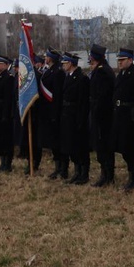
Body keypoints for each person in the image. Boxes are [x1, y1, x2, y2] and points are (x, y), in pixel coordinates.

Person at [111, 48, 134, 190]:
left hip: (130, 117)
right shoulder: (121, 75)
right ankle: (131, 175)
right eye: (119, 60)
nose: (120, 62)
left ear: (130, 60)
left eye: (122, 60)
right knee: (124, 148)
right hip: (120, 115)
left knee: (133, 149)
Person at [59, 52, 90, 184]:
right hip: (67, 115)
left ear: (70, 63)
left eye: (65, 63)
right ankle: (77, 171)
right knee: (70, 146)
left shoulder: (82, 79)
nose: (63, 66)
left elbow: (83, 102)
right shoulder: (68, 77)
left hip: (76, 116)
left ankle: (84, 173)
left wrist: (80, 119)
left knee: (80, 146)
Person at [88, 44, 116, 187]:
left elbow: (103, 96)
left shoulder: (103, 72)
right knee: (100, 146)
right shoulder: (100, 70)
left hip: (103, 115)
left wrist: (97, 110)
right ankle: (104, 173)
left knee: (104, 145)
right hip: (98, 113)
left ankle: (108, 175)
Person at [40, 50, 66, 179]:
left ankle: (62, 168)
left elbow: (57, 95)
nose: (45, 58)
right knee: (53, 141)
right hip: (47, 112)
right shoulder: (48, 71)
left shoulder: (58, 72)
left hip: (54, 112)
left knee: (58, 141)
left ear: (51, 58)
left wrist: (55, 113)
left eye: (47, 56)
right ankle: (57, 167)